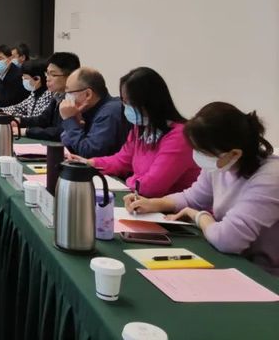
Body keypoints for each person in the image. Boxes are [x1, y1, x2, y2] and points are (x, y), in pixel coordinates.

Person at [125, 103, 279, 275]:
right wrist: (154, 204)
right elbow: (194, 197)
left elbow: (227, 240)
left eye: (204, 152)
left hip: (265, 274)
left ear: (234, 153)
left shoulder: (270, 177)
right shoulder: (221, 163)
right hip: (232, 260)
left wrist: (199, 216)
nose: (198, 157)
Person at [69, 67, 198, 196]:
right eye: (124, 102)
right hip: (144, 201)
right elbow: (121, 161)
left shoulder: (179, 136)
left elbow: (151, 187)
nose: (126, 108)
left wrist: (129, 181)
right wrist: (89, 163)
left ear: (149, 103)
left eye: (130, 103)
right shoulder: (141, 129)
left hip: (172, 207)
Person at [60, 67, 126, 158]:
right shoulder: (86, 110)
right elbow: (67, 145)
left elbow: (89, 153)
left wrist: (69, 120)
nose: (66, 97)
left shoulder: (110, 112)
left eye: (69, 93)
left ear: (88, 94)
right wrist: (75, 122)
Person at [18, 52, 80, 141]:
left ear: (70, 76)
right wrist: (18, 121)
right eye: (47, 74)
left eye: (53, 74)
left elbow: (61, 131)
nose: (47, 78)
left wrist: (26, 131)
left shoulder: (75, 99)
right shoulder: (57, 95)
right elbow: (43, 119)